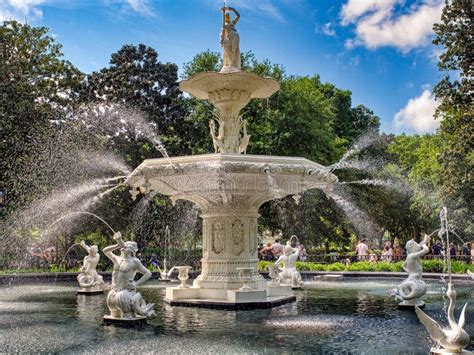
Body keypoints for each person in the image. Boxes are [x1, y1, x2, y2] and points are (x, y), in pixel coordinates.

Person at [103, 232, 155, 319]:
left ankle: (140, 314)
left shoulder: (135, 261)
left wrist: (136, 284)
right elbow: (105, 251)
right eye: (124, 246)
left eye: (126, 246)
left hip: (125, 293)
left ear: (131, 250)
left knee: (126, 317)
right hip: (113, 292)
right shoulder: (116, 258)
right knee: (113, 316)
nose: (123, 247)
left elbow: (148, 273)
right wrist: (117, 245)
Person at [220, 6, 240, 73]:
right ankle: (228, 64)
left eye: (228, 16)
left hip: (235, 38)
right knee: (227, 50)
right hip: (229, 38)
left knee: (234, 51)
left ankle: (233, 64)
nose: (227, 17)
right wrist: (223, 13)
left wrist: (232, 9)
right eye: (226, 16)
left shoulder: (232, 23)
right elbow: (223, 29)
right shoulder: (225, 24)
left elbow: (238, 16)